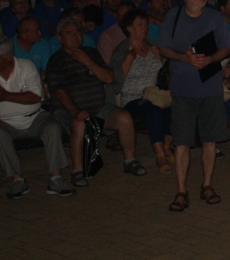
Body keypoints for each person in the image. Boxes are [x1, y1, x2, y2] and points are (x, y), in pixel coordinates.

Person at [159, 0, 230, 211]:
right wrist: (184, 58)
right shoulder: (173, 17)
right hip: (183, 89)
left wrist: (210, 59)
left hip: (210, 87)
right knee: (182, 142)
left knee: (209, 140)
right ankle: (181, 191)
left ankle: (207, 185)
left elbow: (226, 47)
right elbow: (163, 48)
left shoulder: (214, 17)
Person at [47, 17, 145, 186]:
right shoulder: (56, 60)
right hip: (68, 110)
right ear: (60, 38)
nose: (75, 36)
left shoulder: (91, 53)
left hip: (99, 108)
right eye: (69, 33)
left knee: (124, 117)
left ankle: (130, 161)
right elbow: (60, 93)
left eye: (77, 32)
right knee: (79, 124)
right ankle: (78, 171)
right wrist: (76, 112)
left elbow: (109, 78)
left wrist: (87, 61)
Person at [0, 36, 75, 198]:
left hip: (34, 117)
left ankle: (55, 178)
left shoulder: (26, 66)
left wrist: (5, 96)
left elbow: (35, 97)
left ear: (7, 56)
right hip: (5, 123)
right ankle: (17, 180)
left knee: (52, 127)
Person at [110, 9, 174, 173]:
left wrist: (162, 55)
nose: (144, 28)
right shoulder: (122, 50)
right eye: (140, 25)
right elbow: (116, 81)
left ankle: (167, 146)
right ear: (129, 28)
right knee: (154, 112)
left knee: (177, 106)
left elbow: (167, 70)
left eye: (146, 24)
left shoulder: (153, 44)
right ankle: (160, 155)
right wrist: (129, 58)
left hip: (157, 95)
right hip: (134, 98)